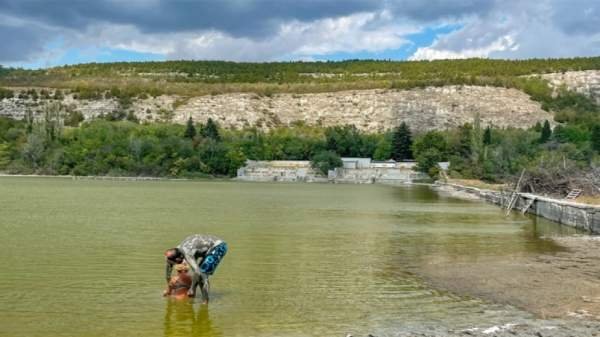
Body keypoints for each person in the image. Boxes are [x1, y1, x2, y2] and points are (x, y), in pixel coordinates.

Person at [164, 234, 227, 304]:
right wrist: (169, 288)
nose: (174, 265)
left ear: (179, 258)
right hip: (203, 247)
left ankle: (205, 302)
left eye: (175, 263)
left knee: (203, 275)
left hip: (218, 247)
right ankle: (194, 295)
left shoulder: (187, 253)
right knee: (198, 274)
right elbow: (168, 270)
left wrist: (192, 288)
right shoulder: (175, 251)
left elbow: (197, 272)